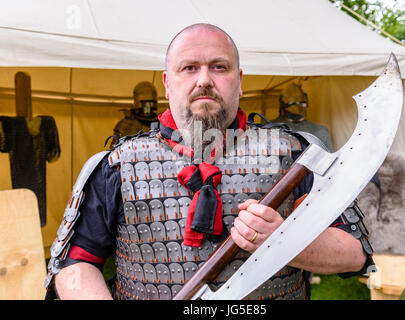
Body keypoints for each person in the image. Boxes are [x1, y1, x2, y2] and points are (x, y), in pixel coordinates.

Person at [45, 23, 375, 300]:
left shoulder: (295, 155)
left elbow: (355, 253)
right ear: (167, 82)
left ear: (240, 80)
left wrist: (287, 241)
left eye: (219, 67)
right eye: (189, 68)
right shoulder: (116, 166)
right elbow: (75, 264)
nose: (204, 79)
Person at [109, 81, 160, 147]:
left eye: (150, 103)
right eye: (145, 103)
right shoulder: (125, 124)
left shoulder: (161, 123)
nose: (147, 106)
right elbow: (113, 151)